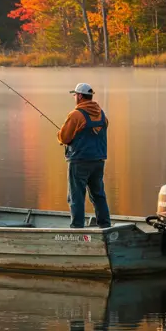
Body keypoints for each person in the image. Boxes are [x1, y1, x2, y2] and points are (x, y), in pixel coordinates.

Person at [57, 83, 111, 228]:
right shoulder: (101, 114)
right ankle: (105, 225)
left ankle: (77, 228)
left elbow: (64, 138)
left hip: (79, 161)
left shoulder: (76, 115)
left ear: (80, 96)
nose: (74, 97)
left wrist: (60, 135)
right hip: (98, 160)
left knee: (76, 196)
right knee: (98, 195)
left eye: (75, 95)